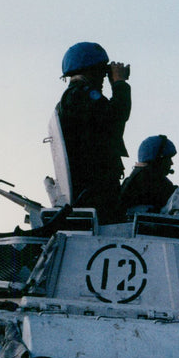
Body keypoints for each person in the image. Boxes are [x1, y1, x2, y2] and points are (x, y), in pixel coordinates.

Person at [56, 42, 131, 224]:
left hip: (92, 188)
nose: (104, 78)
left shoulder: (74, 98)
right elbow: (118, 115)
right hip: (96, 190)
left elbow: (110, 127)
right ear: (93, 70)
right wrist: (120, 84)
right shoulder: (81, 96)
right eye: (102, 72)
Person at [120, 135, 178, 214]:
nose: (171, 163)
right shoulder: (150, 180)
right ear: (158, 158)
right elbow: (175, 197)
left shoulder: (137, 177)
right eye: (168, 158)